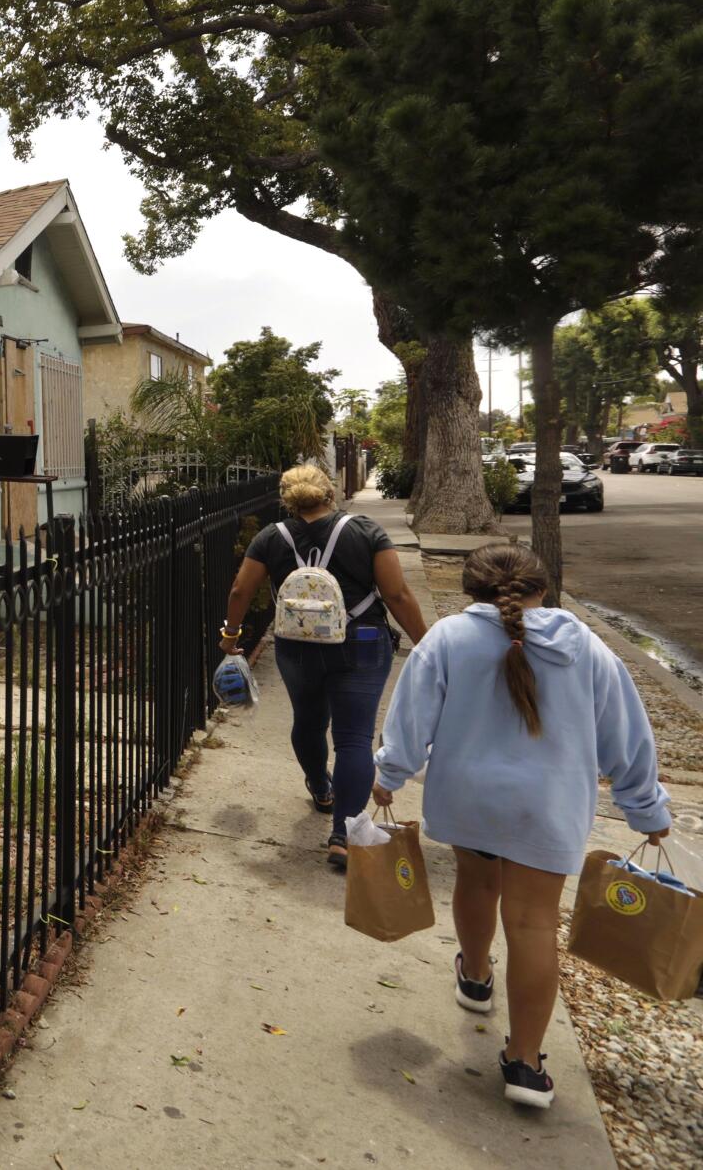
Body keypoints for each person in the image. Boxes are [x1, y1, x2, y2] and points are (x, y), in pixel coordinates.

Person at [372, 543, 670, 1110]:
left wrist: (390, 773)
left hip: (470, 797)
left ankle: (476, 976)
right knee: (533, 925)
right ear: (543, 588)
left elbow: (411, 717)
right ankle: (527, 1064)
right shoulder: (585, 647)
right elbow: (625, 733)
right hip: (548, 806)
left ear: (471, 589)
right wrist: (646, 809)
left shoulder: (448, 639)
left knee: (476, 881)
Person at [219, 465, 430, 868]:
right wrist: (426, 642)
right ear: (329, 494)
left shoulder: (271, 537)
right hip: (362, 644)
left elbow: (239, 589)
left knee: (309, 721)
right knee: (353, 737)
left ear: (288, 500)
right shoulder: (366, 531)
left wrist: (231, 637)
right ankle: (344, 836)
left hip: (297, 647)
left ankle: (321, 787)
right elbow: (398, 594)